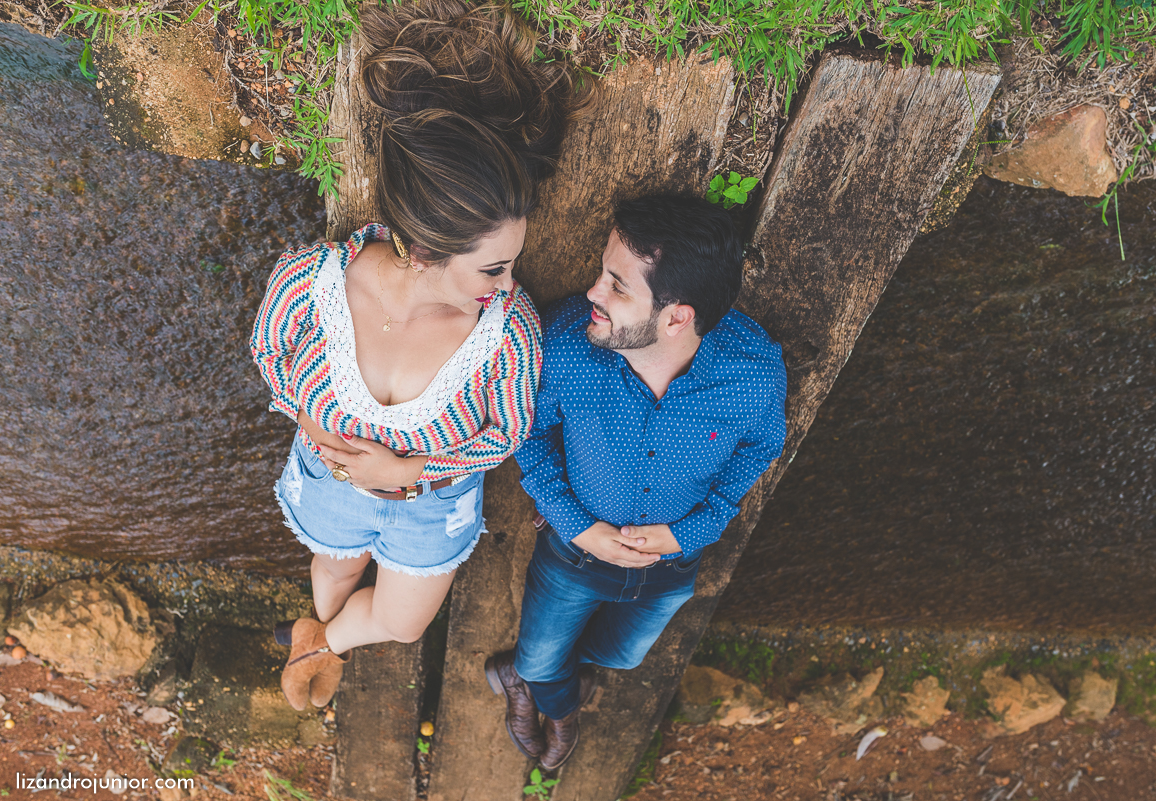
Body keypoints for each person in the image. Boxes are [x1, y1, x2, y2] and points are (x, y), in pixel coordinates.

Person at [250, 0, 588, 712]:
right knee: (332, 573)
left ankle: (326, 644)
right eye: (493, 268)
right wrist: (307, 423)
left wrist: (413, 470)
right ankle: (322, 618)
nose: (508, 284)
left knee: (402, 622)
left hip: (430, 503)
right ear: (427, 248)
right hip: (330, 474)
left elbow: (505, 429)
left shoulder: (507, 330)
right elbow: (270, 352)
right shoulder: (313, 283)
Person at [485, 194, 788, 770]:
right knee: (541, 661)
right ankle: (552, 702)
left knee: (620, 659)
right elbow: (528, 434)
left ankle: (537, 680)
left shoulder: (751, 376)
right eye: (604, 274)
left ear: (677, 317)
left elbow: (761, 448)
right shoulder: (567, 346)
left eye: (617, 286)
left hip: (672, 565)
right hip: (572, 553)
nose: (592, 294)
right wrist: (578, 525)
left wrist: (696, 529)